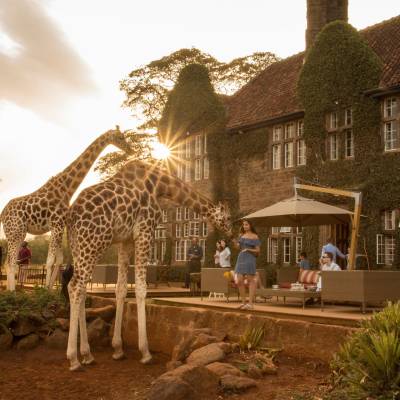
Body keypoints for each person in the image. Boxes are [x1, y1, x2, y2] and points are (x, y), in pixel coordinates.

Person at [233, 220, 261, 310]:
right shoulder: (241, 236)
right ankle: (243, 303)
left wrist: (248, 250)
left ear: (250, 225)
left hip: (250, 259)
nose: (244, 226)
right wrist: (234, 241)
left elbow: (258, 251)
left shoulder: (254, 236)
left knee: (250, 280)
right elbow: (238, 247)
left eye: (246, 224)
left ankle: (250, 304)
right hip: (241, 258)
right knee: (239, 281)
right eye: (244, 225)